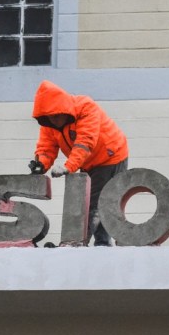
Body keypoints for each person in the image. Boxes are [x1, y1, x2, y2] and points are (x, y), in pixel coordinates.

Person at [28, 80, 129, 246]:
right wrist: (41, 164)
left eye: (56, 115)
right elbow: (46, 147)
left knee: (95, 204)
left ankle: (77, 243)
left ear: (63, 109)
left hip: (110, 156)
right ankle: (102, 244)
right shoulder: (49, 124)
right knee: (96, 202)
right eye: (49, 117)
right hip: (88, 162)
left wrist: (69, 167)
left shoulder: (86, 108)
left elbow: (85, 142)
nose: (53, 120)